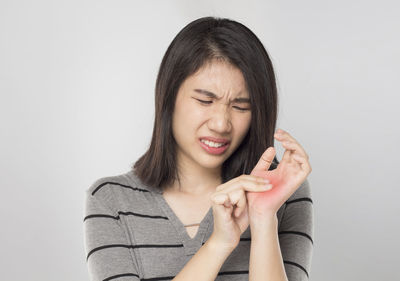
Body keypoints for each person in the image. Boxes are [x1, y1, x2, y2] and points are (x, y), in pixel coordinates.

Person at [83, 16, 313, 281]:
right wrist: (218, 245)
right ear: (169, 97)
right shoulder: (112, 200)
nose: (221, 124)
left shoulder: (283, 194)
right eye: (205, 100)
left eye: (240, 106)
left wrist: (263, 219)